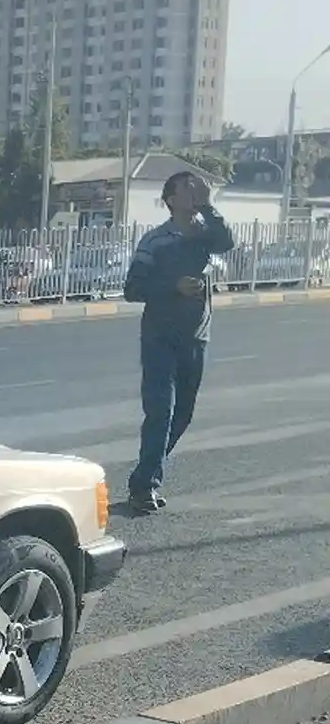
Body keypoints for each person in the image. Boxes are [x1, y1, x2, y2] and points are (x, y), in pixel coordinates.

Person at [122, 170, 233, 515]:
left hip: (196, 336)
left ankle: (146, 473)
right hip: (159, 337)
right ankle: (144, 486)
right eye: (187, 188)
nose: (194, 191)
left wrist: (209, 205)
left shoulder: (206, 235)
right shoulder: (155, 241)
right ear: (170, 200)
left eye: (197, 187)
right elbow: (132, 289)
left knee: (182, 415)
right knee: (161, 412)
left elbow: (227, 241)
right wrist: (173, 287)